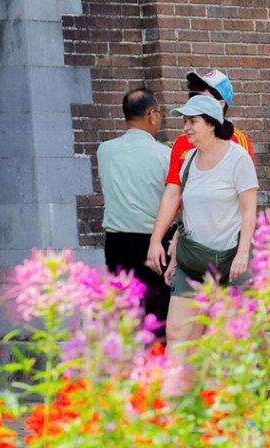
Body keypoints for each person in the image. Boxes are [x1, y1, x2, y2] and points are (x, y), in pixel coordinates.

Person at [151, 95, 258, 362]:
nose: (186, 127)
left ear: (211, 124)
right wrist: (175, 255)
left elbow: (248, 210)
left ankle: (262, 390)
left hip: (231, 260)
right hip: (192, 261)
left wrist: (244, 253)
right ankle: (177, 398)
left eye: (192, 121)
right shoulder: (188, 160)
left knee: (240, 333)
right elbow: (186, 211)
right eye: (185, 121)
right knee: (176, 332)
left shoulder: (238, 158)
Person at [147, 70, 255, 276]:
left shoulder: (238, 143)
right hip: (192, 250)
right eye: (191, 97)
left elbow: (245, 204)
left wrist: (242, 252)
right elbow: (174, 195)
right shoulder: (182, 144)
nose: (192, 102)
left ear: (219, 105)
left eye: (200, 97)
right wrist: (161, 239)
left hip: (227, 252)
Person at [97, 88, 172, 341]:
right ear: (152, 115)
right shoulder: (166, 155)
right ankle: (156, 372)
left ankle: (126, 373)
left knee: (124, 316)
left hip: (117, 243)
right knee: (157, 317)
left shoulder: (105, 151)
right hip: (154, 243)